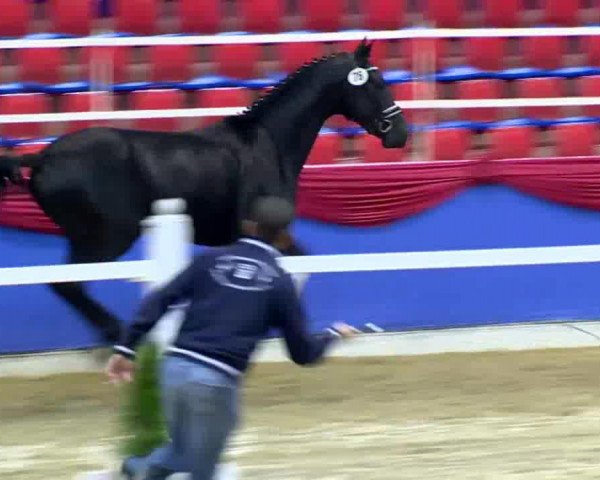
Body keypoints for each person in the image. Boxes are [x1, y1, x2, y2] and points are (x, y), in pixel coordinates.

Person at [106, 196, 356, 480]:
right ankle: (138, 471)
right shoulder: (280, 283)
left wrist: (126, 348)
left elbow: (160, 300)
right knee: (202, 471)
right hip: (215, 381)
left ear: (249, 227)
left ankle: (135, 469)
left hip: (174, 368)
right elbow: (302, 353)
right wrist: (333, 335)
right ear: (285, 238)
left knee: (180, 452)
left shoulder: (209, 260)